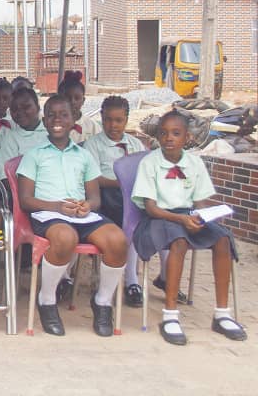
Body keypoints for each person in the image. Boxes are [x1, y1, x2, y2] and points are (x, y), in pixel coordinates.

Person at [16, 94, 128, 337]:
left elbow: (95, 198)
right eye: (51, 115)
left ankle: (102, 302)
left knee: (118, 240)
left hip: (80, 215)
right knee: (65, 238)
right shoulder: (34, 155)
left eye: (64, 115)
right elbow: (25, 200)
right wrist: (57, 207)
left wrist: (87, 205)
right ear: (44, 121)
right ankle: (47, 300)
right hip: (48, 214)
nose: (57, 120)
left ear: (74, 119)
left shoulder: (84, 155)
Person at [131, 111, 244, 345]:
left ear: (188, 137)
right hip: (159, 219)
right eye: (164, 133)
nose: (169, 138)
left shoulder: (194, 163)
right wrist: (181, 220)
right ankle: (170, 315)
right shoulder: (150, 162)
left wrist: (200, 218)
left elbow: (200, 201)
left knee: (223, 239)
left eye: (176, 133)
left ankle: (222, 314)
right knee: (179, 242)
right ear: (157, 137)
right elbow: (150, 207)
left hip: (187, 216)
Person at [83, 95, 147, 307]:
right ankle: (129, 280)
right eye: (108, 120)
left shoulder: (136, 144)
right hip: (105, 196)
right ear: (101, 118)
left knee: (139, 213)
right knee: (129, 215)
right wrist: (121, 183)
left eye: (119, 120)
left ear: (126, 119)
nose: (113, 125)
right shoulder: (93, 145)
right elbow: (93, 178)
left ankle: (132, 281)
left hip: (132, 197)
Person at [0, 87, 47, 180]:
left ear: (38, 107)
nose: (20, 112)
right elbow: (5, 178)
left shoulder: (51, 132)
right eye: (14, 109)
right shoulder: (10, 138)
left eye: (26, 107)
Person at [57, 71, 100, 143]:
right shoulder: (50, 127)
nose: (72, 102)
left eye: (77, 98)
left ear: (83, 101)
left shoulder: (93, 128)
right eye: (67, 97)